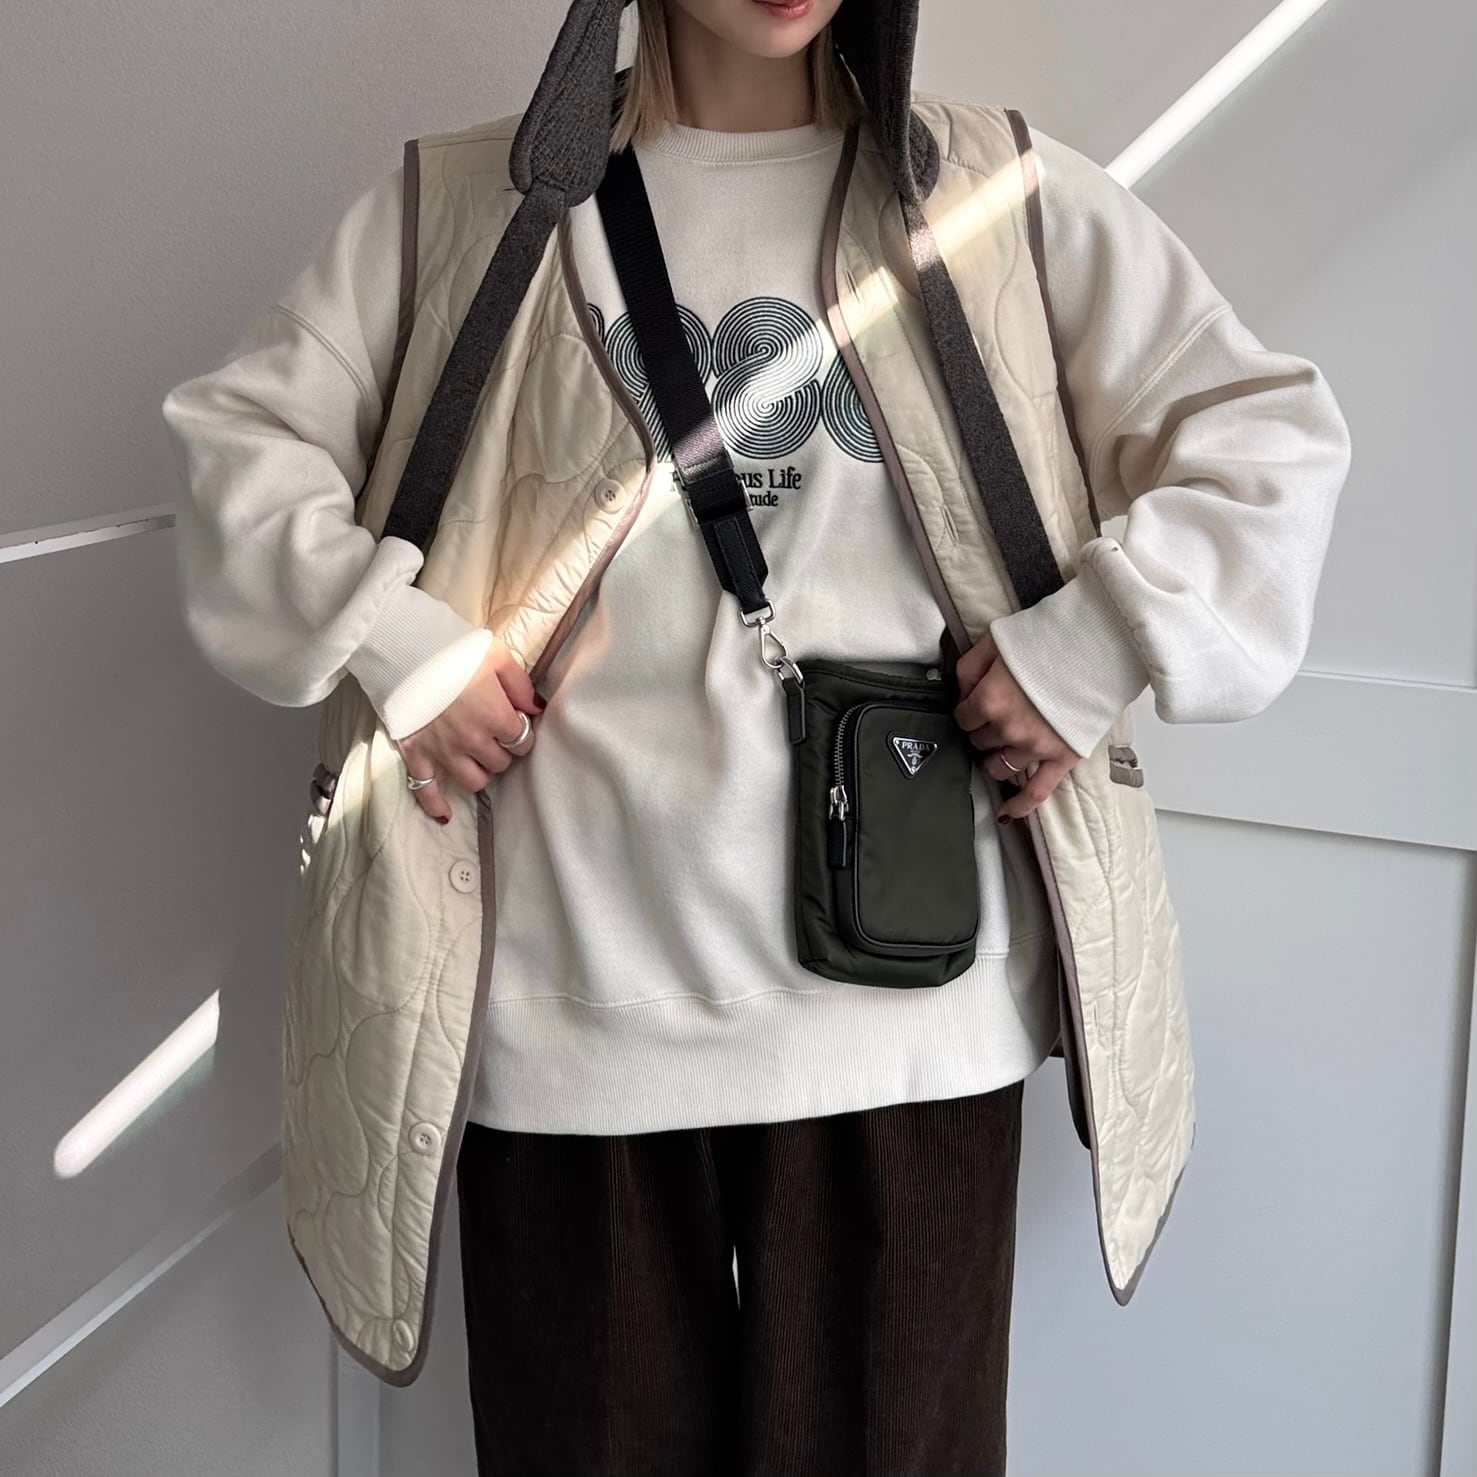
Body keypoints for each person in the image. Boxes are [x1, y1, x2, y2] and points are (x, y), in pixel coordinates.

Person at [159, 0, 1352, 1471]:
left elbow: (1266, 440)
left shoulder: (1001, 194)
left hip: (907, 1040)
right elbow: (236, 450)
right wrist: (403, 649)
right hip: (570, 1026)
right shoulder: (472, 207)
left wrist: (1087, 649)